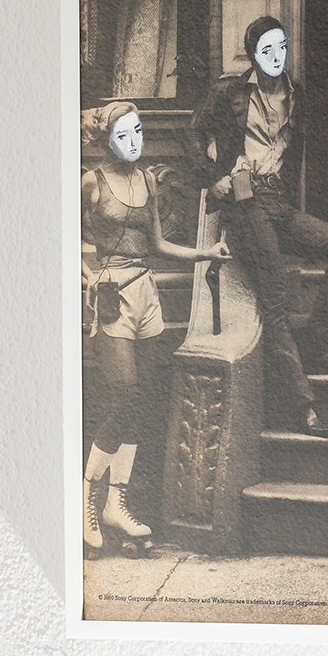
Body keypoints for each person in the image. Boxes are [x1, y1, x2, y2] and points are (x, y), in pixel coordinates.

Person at [197, 15, 328, 439]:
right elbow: (192, 136)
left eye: (282, 47)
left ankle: (320, 340)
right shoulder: (230, 92)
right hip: (244, 203)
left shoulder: (296, 95)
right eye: (266, 49)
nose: (276, 56)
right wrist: (214, 178)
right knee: (276, 299)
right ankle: (303, 406)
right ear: (252, 55)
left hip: (279, 203)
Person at [81, 100, 224, 555]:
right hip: (112, 294)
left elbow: (159, 244)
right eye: (123, 135)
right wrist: (88, 276)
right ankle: (87, 501)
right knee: (123, 395)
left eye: (138, 132)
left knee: (140, 400)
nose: (134, 141)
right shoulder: (91, 182)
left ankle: (116, 506)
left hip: (147, 293)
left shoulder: (146, 180)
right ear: (107, 141)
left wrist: (205, 253)